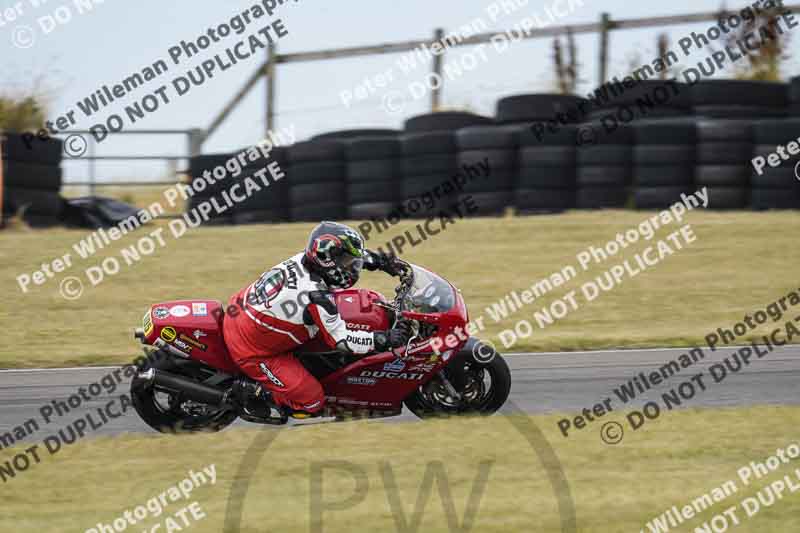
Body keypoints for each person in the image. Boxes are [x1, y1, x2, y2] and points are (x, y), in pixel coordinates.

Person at [222, 221, 411, 417]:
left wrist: (381, 261)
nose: (353, 267)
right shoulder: (316, 295)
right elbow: (341, 339)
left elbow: (349, 255)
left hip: (245, 313)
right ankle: (254, 392)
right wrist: (384, 339)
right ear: (328, 261)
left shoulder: (308, 260)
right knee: (312, 401)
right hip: (252, 349)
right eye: (347, 262)